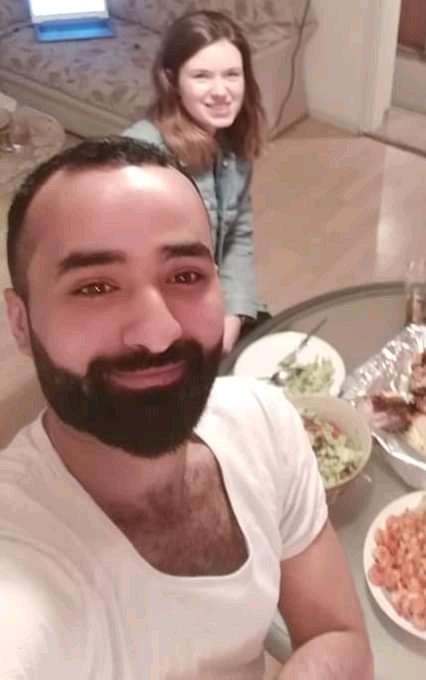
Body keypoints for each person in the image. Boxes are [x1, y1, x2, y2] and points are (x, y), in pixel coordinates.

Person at [0, 137, 373, 680]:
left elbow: (337, 637)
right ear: (20, 323)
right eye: (95, 286)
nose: (159, 332)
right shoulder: (22, 560)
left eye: (184, 276)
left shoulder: (265, 423)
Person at [125, 9, 266, 354]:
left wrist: (233, 315)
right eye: (202, 76)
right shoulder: (140, 158)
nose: (221, 91)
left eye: (232, 74)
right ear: (172, 81)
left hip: (210, 299)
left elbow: (237, 236)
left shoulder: (233, 140)